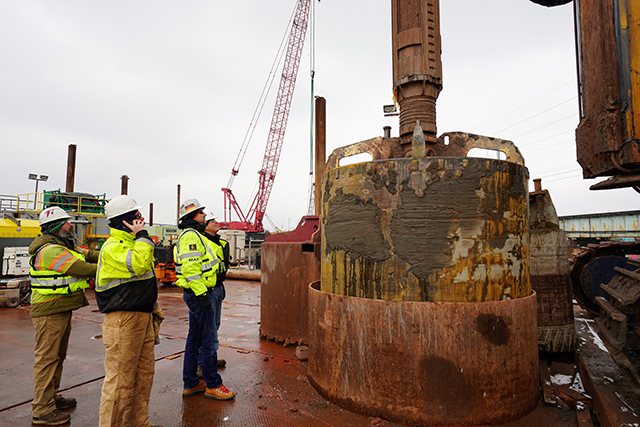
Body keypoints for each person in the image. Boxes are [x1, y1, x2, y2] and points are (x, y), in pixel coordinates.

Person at [95, 195, 163, 427]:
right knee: (120, 381)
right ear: (124, 221)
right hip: (123, 320)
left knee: (143, 376)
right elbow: (139, 264)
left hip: (142, 318)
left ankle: (138, 423)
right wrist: (143, 237)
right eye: (136, 216)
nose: (141, 219)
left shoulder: (134, 243)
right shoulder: (114, 247)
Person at [29, 206, 99, 426]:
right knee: (47, 359)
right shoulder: (51, 250)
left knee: (57, 357)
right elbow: (84, 268)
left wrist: (115, 254)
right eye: (67, 222)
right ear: (57, 226)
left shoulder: (65, 245)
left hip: (59, 308)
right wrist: (121, 267)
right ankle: (42, 410)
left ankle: (52, 398)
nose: (72, 225)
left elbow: (89, 254)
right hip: (49, 310)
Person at [175, 199, 235, 400]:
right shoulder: (191, 236)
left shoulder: (192, 235)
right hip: (200, 293)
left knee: (195, 338)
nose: (204, 215)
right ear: (193, 216)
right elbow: (191, 271)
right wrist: (202, 295)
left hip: (198, 292)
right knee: (209, 340)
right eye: (201, 212)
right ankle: (213, 384)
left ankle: (191, 383)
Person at [203, 214, 230, 368]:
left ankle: (211, 357)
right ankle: (202, 363)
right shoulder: (202, 242)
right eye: (211, 221)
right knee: (207, 327)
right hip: (207, 289)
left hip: (218, 287)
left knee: (215, 325)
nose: (215, 222)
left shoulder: (221, 243)